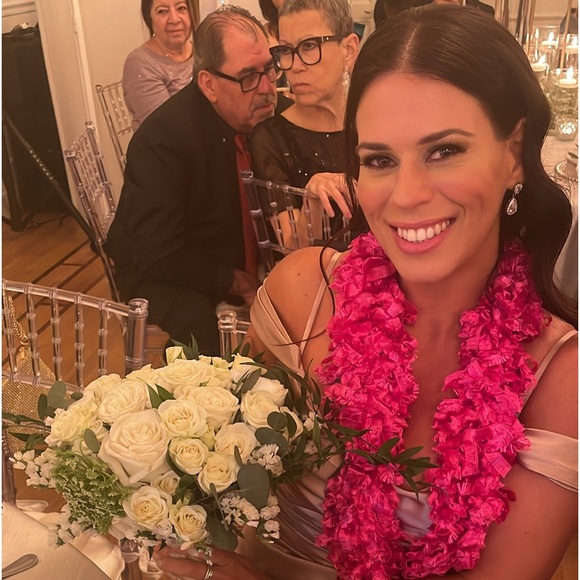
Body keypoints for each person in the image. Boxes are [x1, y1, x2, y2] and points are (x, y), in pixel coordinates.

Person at [154, 5, 578, 579]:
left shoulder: (559, 380)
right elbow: (226, 467)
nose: (405, 195)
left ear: (514, 153)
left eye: (444, 150)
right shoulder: (303, 295)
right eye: (379, 160)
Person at [105, 5, 281, 356]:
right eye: (248, 76)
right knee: (200, 336)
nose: (266, 88)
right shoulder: (164, 140)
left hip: (224, 251)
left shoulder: (269, 117)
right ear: (208, 84)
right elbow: (157, 254)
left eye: (269, 68)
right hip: (161, 269)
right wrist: (237, 281)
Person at [249, 0, 359, 246]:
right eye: (286, 50)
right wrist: (312, 201)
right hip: (317, 269)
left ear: (349, 49)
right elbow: (290, 247)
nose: (295, 67)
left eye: (309, 46)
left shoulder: (377, 121)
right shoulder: (272, 137)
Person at [122, 0, 200, 130]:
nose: (174, 20)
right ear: (149, 18)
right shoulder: (140, 63)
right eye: (162, 11)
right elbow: (167, 129)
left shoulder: (203, 51)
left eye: (181, 8)